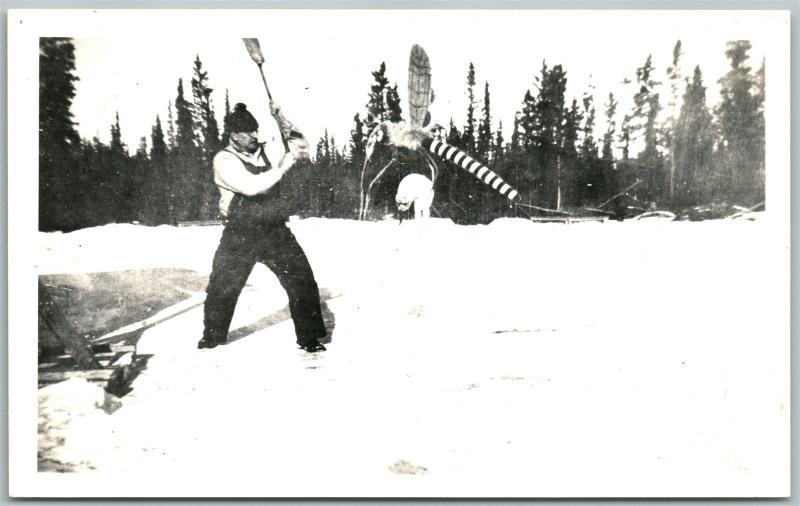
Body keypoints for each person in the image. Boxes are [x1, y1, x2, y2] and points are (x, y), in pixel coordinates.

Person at [198, 102, 328, 353]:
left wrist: (283, 120)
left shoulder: (267, 150)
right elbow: (252, 187)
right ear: (234, 135)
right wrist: (282, 167)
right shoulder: (224, 160)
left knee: (301, 280)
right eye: (248, 133)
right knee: (223, 285)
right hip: (240, 232)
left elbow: (300, 146)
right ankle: (212, 336)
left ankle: (310, 338)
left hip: (274, 229)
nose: (255, 136)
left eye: (256, 131)